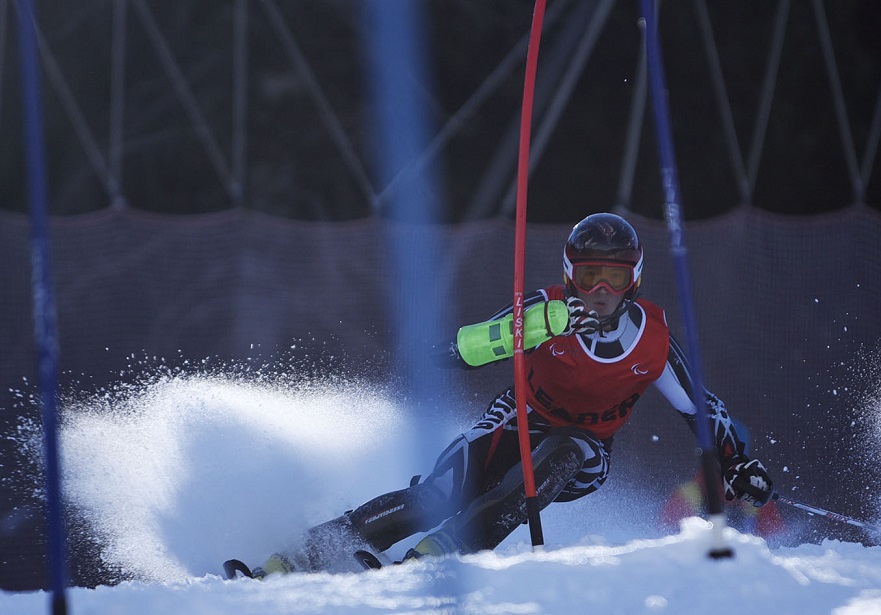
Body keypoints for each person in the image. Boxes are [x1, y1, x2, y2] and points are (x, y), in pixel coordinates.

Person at [252, 212, 774, 576]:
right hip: (519, 416)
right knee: (439, 493)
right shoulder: (544, 311)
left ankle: (438, 557)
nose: (600, 293)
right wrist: (535, 328)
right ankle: (296, 559)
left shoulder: (652, 339)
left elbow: (703, 409)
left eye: (613, 277)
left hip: (585, 449)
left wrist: (737, 464)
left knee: (558, 456)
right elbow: (452, 352)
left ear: (633, 279)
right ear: (570, 273)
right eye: (589, 276)